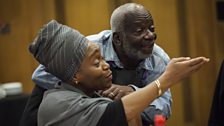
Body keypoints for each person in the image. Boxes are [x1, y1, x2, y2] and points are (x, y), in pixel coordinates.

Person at [20, 3, 184, 126]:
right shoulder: (88, 48)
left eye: (151, 29)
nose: (150, 36)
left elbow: (160, 110)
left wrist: (131, 91)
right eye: (139, 31)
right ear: (117, 39)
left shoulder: (157, 58)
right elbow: (119, 111)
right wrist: (94, 89)